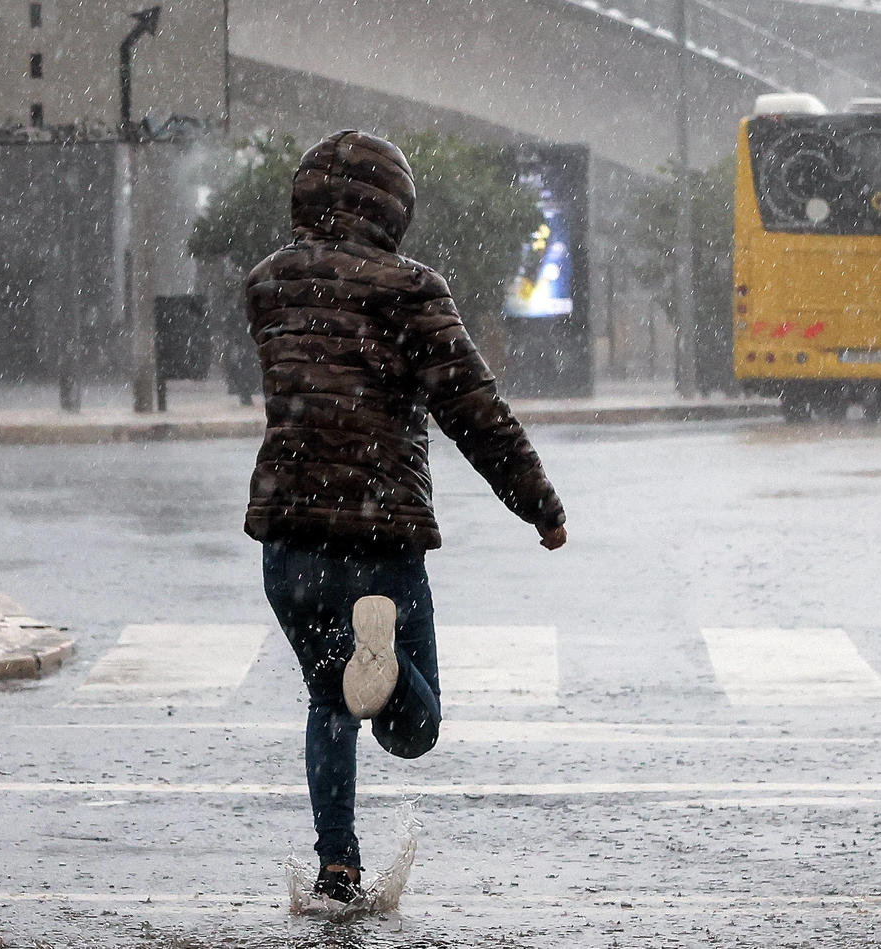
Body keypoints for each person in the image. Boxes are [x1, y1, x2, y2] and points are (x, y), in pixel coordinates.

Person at [244, 129, 568, 910]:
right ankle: (384, 676)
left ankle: (337, 869)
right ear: (395, 208)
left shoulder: (267, 283)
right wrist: (539, 505)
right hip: (378, 533)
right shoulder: (410, 288)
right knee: (410, 730)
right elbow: (474, 409)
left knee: (328, 702)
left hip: (290, 532)